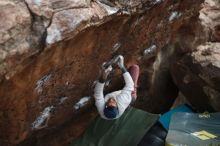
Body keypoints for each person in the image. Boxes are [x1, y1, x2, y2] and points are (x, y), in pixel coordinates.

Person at [94, 55, 140, 120]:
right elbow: (130, 85)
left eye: (108, 104)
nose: (111, 101)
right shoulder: (123, 100)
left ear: (105, 107)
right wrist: (122, 66)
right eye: (113, 104)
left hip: (119, 96)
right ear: (117, 107)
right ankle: (128, 104)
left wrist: (103, 77)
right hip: (130, 96)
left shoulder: (101, 109)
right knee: (135, 68)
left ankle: (122, 87)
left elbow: (97, 94)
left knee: (120, 91)